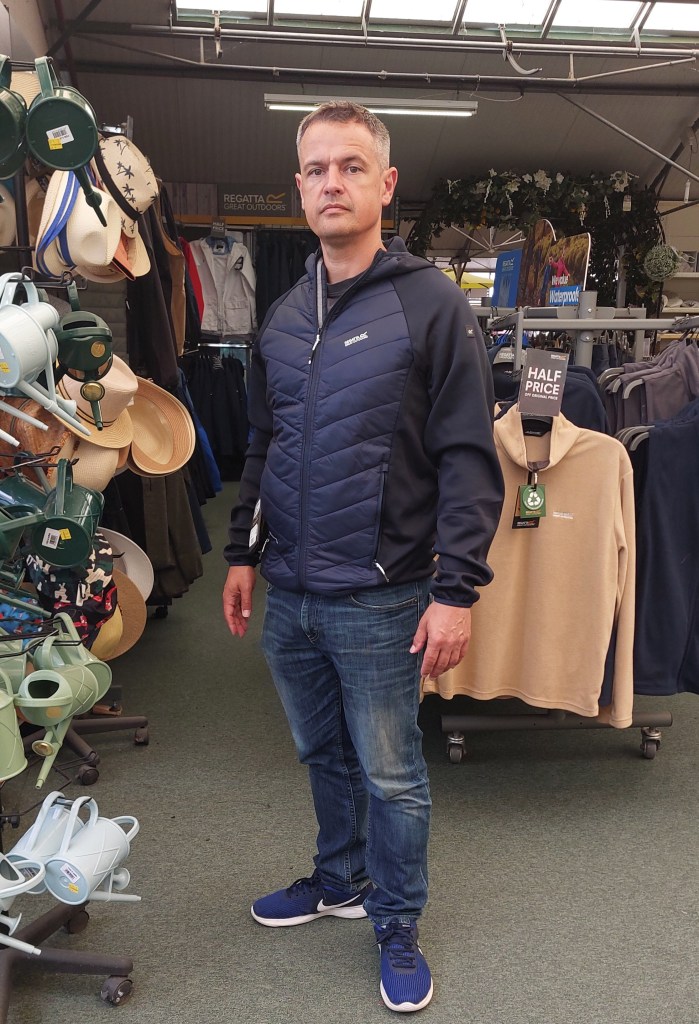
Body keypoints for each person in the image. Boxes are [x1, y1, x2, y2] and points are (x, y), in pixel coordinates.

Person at [223, 100, 504, 1013]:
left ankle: (395, 919)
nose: (330, 182)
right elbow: (263, 445)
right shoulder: (282, 314)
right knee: (320, 753)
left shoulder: (432, 305)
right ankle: (338, 879)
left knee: (391, 774)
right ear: (298, 187)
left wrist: (455, 592)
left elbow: (468, 459)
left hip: (384, 596)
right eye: (315, 169)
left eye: (350, 166)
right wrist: (240, 554)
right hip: (292, 590)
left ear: (384, 184)